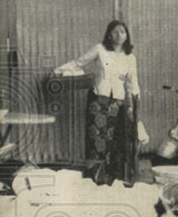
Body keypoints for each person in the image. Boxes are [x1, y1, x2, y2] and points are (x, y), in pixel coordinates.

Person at [53, 19, 145, 185]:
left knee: (113, 141)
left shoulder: (130, 58)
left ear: (127, 36)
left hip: (117, 103)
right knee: (96, 140)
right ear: (109, 35)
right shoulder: (100, 50)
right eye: (115, 31)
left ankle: (109, 180)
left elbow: (133, 83)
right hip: (98, 100)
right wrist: (59, 71)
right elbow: (78, 63)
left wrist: (133, 105)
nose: (119, 35)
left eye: (122, 32)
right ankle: (93, 179)